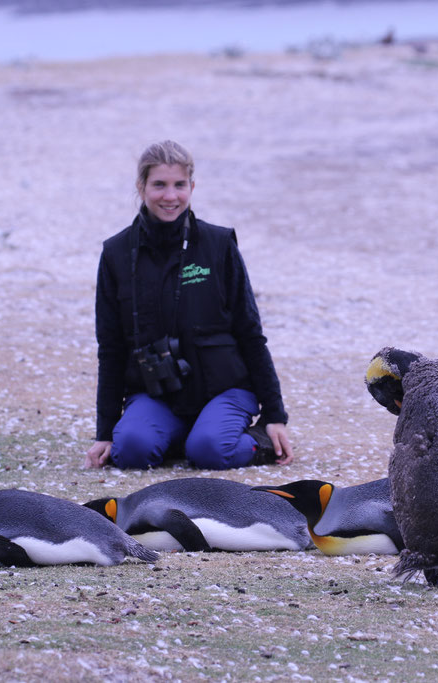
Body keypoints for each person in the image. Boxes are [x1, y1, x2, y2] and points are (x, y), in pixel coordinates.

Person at [84, 140, 293, 470]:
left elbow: (251, 333)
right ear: (141, 187)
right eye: (159, 185)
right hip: (156, 394)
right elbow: (110, 349)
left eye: (179, 185)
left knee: (211, 451)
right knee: (132, 452)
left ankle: (242, 441)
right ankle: (182, 435)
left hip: (224, 389)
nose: (170, 196)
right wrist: (105, 432)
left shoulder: (218, 244)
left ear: (192, 186)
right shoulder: (116, 254)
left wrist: (274, 415)